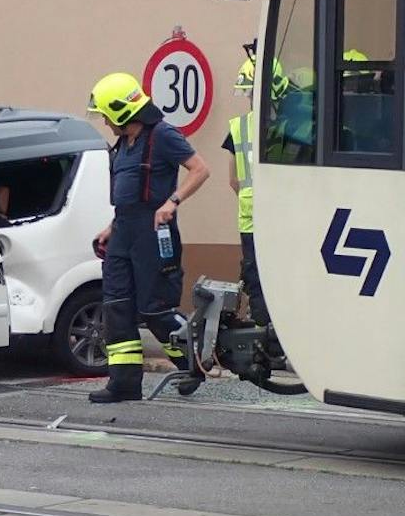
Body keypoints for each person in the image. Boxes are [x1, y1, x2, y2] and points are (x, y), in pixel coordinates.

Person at [86, 72, 210, 404]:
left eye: (106, 114)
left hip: (154, 232)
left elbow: (200, 169)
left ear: (120, 111)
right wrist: (112, 228)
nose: (105, 121)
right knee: (116, 306)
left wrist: (172, 202)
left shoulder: (164, 136)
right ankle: (124, 383)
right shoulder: (123, 144)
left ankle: (192, 363)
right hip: (124, 230)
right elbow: (127, 194)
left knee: (154, 309)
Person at [223, 56, 287, 327]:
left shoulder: (239, 127)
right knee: (284, 276)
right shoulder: (294, 125)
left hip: (251, 219)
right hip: (284, 219)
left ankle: (264, 335)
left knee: (257, 277)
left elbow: (233, 180)